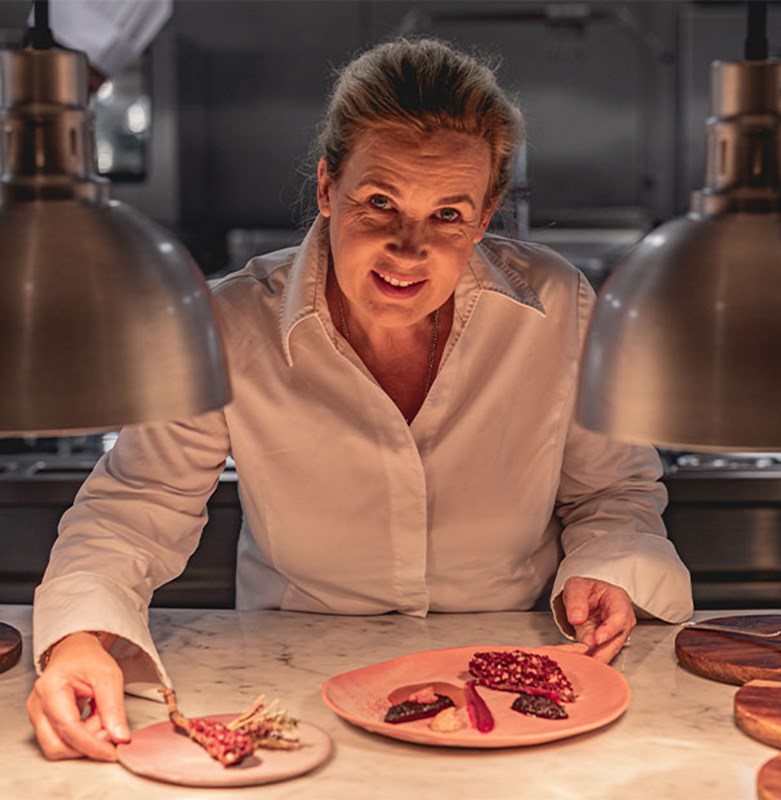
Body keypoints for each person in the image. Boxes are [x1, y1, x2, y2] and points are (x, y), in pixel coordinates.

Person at [26, 37, 693, 761]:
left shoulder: (559, 303)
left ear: (486, 213)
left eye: (448, 215)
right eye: (380, 203)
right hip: (295, 688)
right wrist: (78, 638)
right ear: (326, 188)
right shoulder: (226, 322)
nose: (410, 249)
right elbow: (133, 511)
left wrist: (606, 562)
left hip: (514, 688)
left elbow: (614, 490)